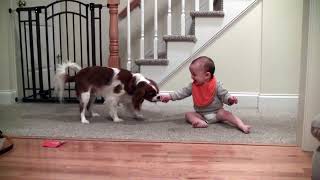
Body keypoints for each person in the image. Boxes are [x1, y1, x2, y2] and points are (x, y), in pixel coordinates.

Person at [160, 56, 251, 133]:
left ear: (207, 75)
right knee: (188, 115)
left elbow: (224, 95)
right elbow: (182, 92)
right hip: (201, 115)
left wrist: (230, 99)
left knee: (226, 114)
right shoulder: (193, 86)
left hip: (217, 113)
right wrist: (170, 97)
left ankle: (241, 125)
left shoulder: (216, 85)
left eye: (194, 74)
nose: (192, 77)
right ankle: (199, 122)